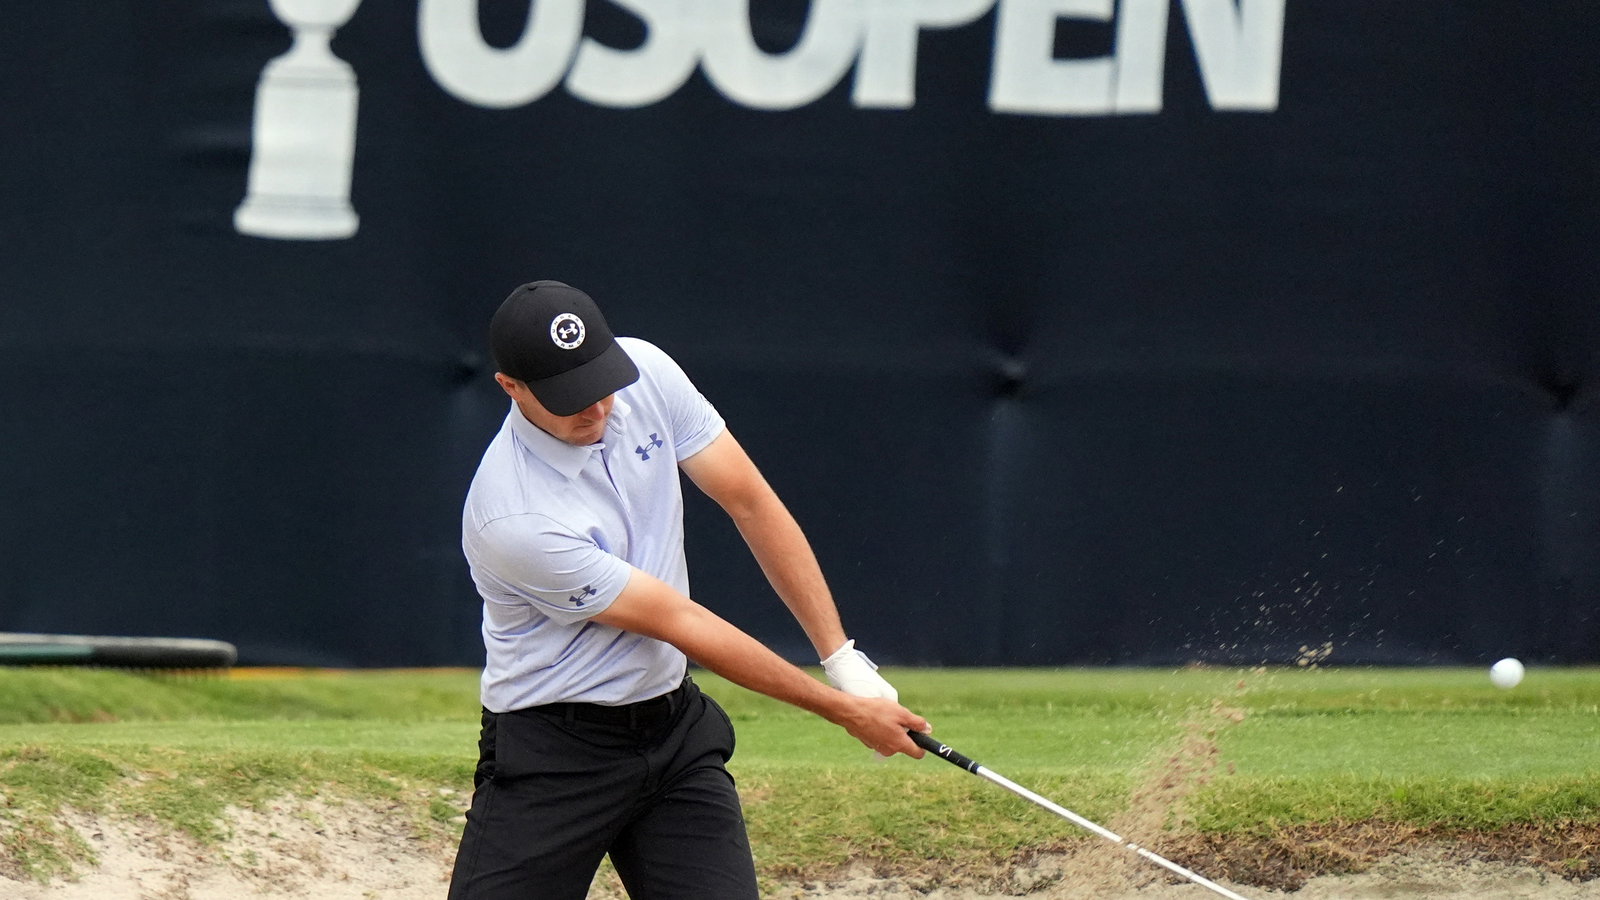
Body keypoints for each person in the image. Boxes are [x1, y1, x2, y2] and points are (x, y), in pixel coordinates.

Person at [448, 280, 931, 900]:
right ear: (510, 387)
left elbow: (749, 501)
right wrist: (847, 712)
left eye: (600, 384)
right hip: (555, 754)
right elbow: (684, 622)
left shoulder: (646, 373)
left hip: (673, 735)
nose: (596, 409)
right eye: (569, 398)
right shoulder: (511, 517)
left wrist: (841, 658)